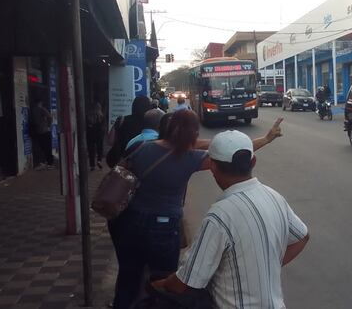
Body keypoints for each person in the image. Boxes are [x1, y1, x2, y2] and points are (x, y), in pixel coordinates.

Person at [107, 110, 284, 309]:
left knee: (128, 277)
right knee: (162, 282)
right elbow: (232, 156)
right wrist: (266, 139)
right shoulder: (190, 158)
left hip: (131, 222)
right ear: (192, 134)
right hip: (164, 229)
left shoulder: (144, 149)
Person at [152, 129, 310, 308]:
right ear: (253, 161)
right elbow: (302, 237)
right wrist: (267, 266)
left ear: (212, 166)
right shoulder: (274, 197)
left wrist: (158, 285)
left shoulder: (220, 216)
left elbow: (185, 282)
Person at [105, 96, 153, 168]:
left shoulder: (122, 120)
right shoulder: (150, 122)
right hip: (142, 162)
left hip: (122, 161)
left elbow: (110, 141)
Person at [31, 100, 54, 169]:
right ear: (40, 102)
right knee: (47, 147)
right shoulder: (41, 109)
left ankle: (45, 162)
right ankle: (49, 163)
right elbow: (50, 117)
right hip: (45, 130)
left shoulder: (33, 110)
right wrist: (48, 126)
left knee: (42, 147)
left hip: (38, 131)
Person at [87, 101, 105, 171]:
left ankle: (92, 165)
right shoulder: (101, 116)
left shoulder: (89, 116)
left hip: (90, 135)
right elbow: (103, 126)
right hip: (99, 134)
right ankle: (99, 160)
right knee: (99, 148)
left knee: (91, 150)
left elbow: (87, 125)